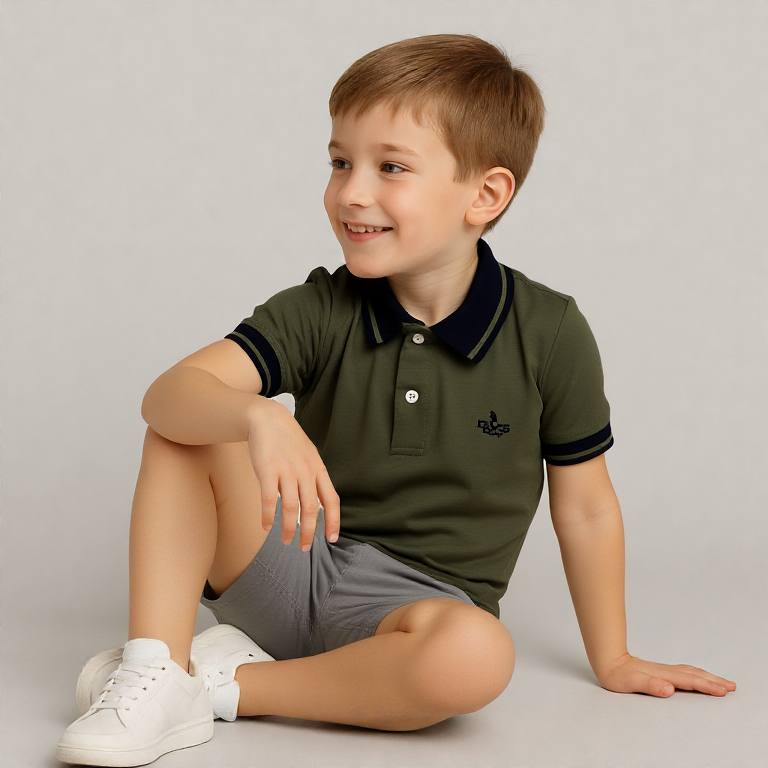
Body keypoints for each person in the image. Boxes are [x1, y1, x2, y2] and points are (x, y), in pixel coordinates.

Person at [56, 33, 736, 767]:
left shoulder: (550, 333)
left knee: (479, 657)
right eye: (339, 162)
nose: (351, 192)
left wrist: (615, 657)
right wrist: (257, 415)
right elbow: (167, 396)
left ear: (485, 195)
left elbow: (588, 507)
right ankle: (156, 665)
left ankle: (223, 685)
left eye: (391, 167)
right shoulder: (321, 307)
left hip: (412, 619)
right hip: (288, 568)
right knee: (189, 421)